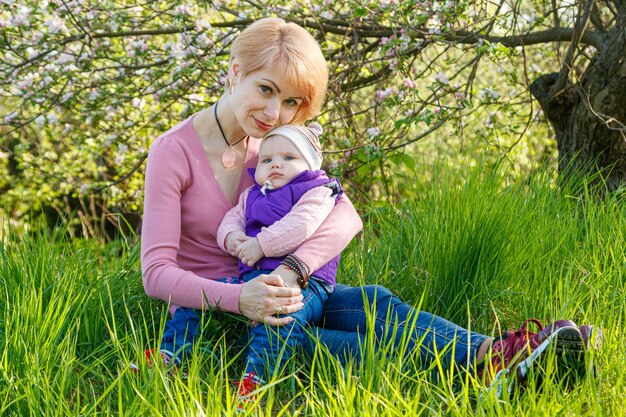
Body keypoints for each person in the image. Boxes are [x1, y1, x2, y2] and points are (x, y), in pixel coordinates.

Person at [140, 17, 599, 401]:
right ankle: (503, 378)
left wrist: (294, 269)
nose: (274, 112)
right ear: (234, 73)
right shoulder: (173, 151)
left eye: (291, 102)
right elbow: (156, 273)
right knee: (330, 347)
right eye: (265, 89)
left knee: (374, 301)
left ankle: (503, 355)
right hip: (216, 312)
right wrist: (242, 298)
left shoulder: (272, 147)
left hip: (284, 286)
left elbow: (343, 214)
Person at [155, 122, 344, 394]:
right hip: (253, 277)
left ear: (311, 162)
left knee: (279, 318)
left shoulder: (317, 189)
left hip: (306, 282)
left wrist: (260, 245)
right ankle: (172, 355)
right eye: (267, 159)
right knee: (203, 296)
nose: (276, 164)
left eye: (289, 158)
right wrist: (233, 239)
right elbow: (231, 220)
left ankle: (257, 383)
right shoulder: (253, 194)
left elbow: (302, 225)